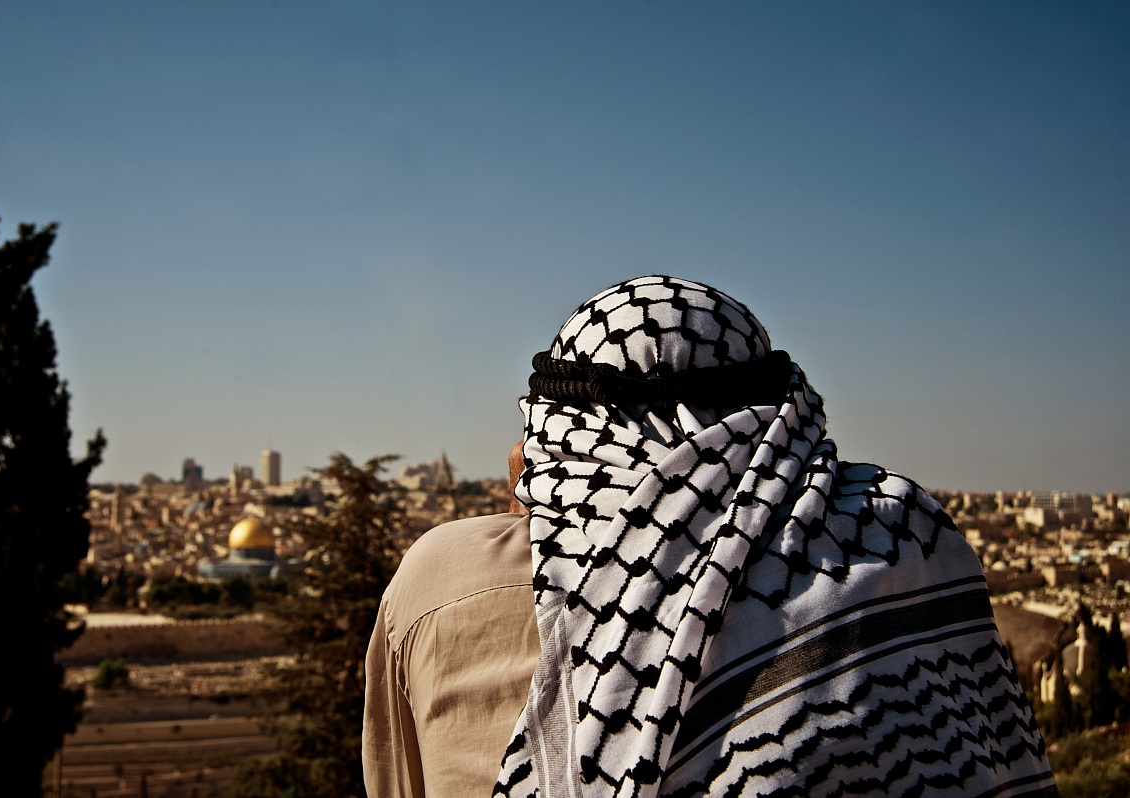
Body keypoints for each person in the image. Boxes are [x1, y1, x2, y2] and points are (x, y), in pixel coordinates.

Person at [364, 275, 1057, 798]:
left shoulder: (441, 580)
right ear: (778, 421)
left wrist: (549, 508)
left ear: (551, 434)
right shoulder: (901, 544)